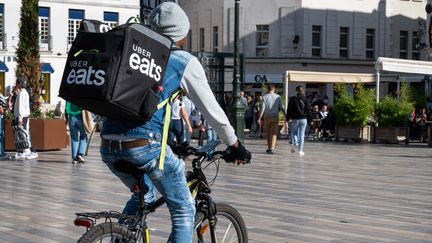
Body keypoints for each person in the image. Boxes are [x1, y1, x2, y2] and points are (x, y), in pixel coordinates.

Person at [99, 3, 251, 242]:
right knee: (183, 210)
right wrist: (234, 144)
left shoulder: (133, 54)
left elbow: (145, 104)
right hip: (144, 146)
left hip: (108, 143)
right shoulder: (182, 61)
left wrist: (168, 141)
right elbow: (212, 111)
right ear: (183, 33)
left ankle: (122, 237)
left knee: (145, 195)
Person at [11, 78, 38, 160]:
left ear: (19, 84)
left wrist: (20, 118)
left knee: (25, 134)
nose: (15, 84)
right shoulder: (23, 92)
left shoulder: (22, 93)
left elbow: (21, 108)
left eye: (17, 83)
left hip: (23, 117)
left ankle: (32, 151)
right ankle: (24, 151)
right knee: (22, 134)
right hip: (22, 116)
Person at [257, 84, 285, 154]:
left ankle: (269, 147)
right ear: (274, 89)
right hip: (275, 117)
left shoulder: (264, 97)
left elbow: (262, 108)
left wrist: (260, 117)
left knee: (268, 133)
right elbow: (282, 107)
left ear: (268, 89)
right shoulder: (278, 97)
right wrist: (286, 115)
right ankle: (272, 148)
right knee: (274, 133)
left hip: (267, 117)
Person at [287, 85, 311, 156]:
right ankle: (300, 151)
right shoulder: (305, 99)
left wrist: (287, 118)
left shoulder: (293, 99)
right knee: (302, 134)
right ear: (302, 91)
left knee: (294, 132)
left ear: (296, 91)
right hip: (304, 119)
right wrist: (310, 119)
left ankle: (296, 143)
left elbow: (289, 109)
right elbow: (308, 110)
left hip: (295, 119)